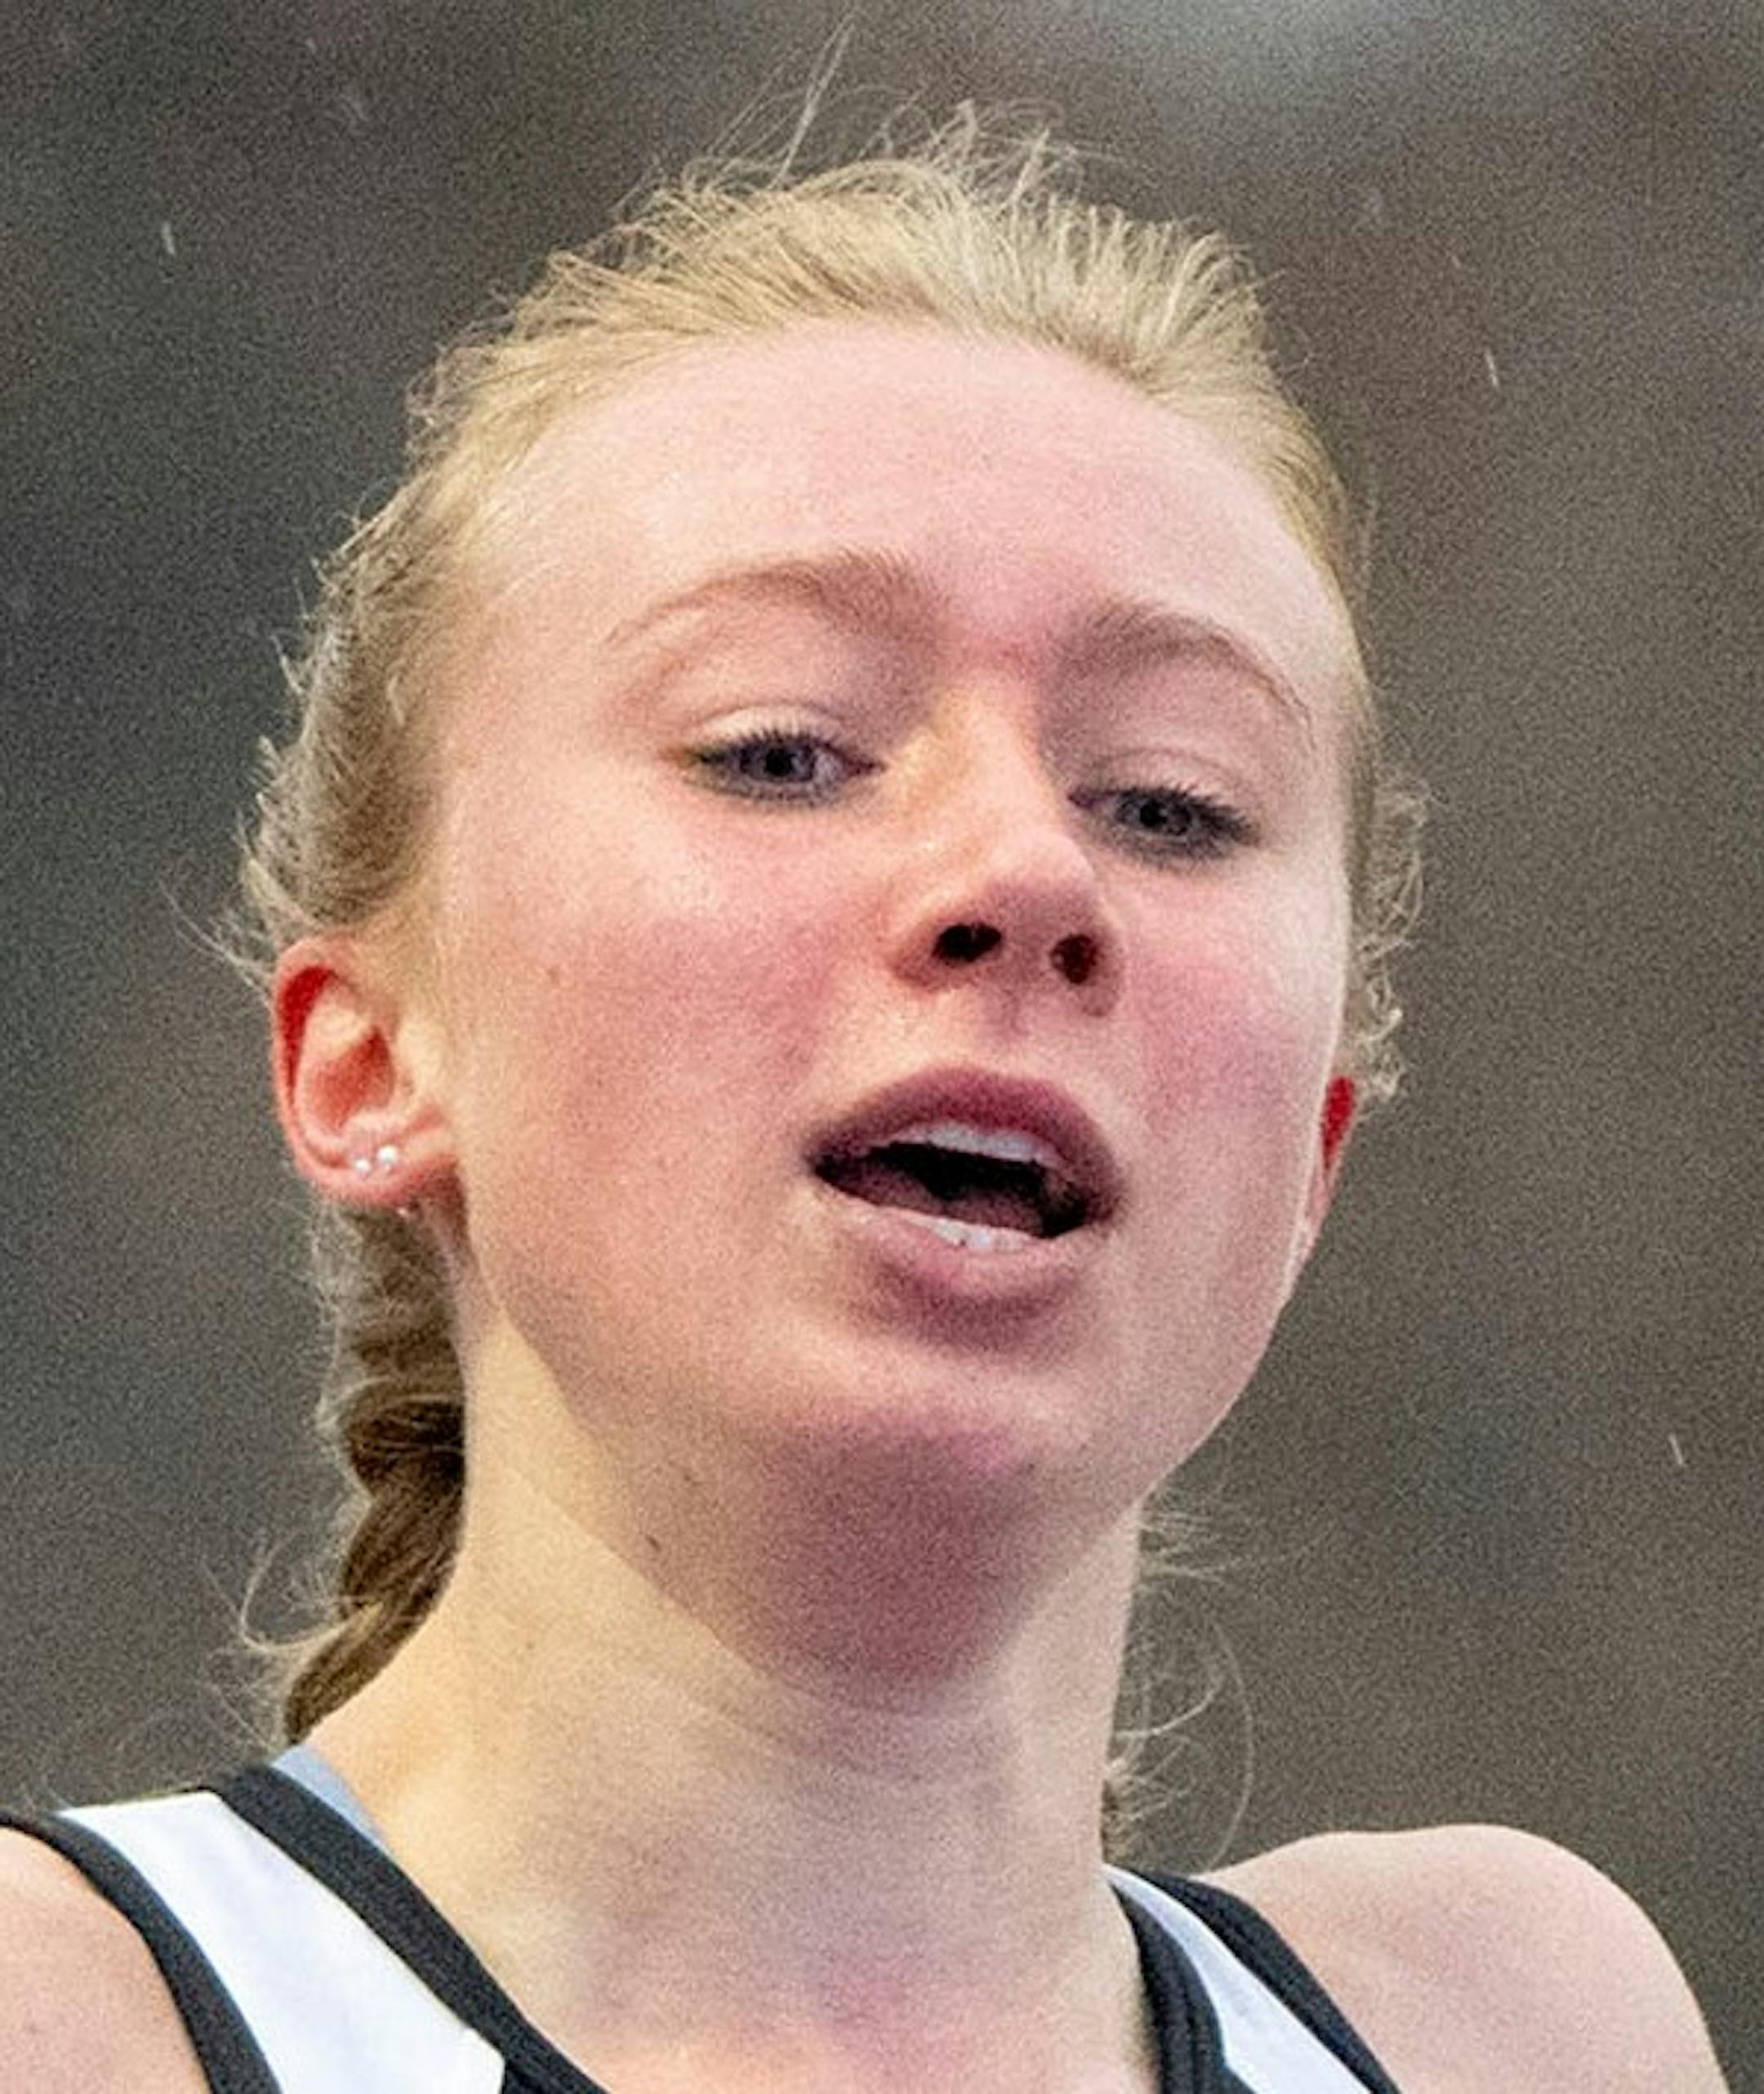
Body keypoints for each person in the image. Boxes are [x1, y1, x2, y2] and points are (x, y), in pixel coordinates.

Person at [0, 115, 1726, 2092]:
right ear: (371, 1056)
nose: (1029, 876)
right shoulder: (64, 2023)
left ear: (1313, 1153)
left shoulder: (1509, 2032)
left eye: (1169, 800)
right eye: (784, 750)